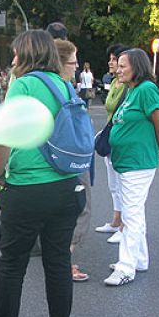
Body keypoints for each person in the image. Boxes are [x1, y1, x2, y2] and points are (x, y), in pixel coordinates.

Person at [0, 29, 82, 317]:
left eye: (16, 54)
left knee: (12, 265)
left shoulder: (23, 85)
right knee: (58, 263)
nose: (12, 60)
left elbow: (3, 137)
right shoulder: (63, 84)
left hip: (27, 187)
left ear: (26, 55)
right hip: (65, 186)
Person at [104, 48, 159, 286]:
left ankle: (126, 267)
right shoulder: (132, 90)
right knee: (134, 211)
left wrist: (156, 146)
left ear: (138, 67)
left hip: (137, 162)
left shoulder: (145, 90)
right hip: (127, 161)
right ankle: (139, 259)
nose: (118, 69)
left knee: (130, 214)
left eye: (123, 65)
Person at [54, 39, 92, 282]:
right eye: (73, 61)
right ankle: (64, 262)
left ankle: (58, 259)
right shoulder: (63, 89)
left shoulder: (36, 84)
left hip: (53, 160)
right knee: (81, 207)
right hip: (71, 160)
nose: (76, 66)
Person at [94, 44, 130, 244]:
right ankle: (116, 221)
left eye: (114, 59)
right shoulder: (114, 82)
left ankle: (124, 225)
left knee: (122, 183)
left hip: (119, 138)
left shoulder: (127, 86)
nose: (110, 62)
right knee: (113, 184)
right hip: (110, 133)